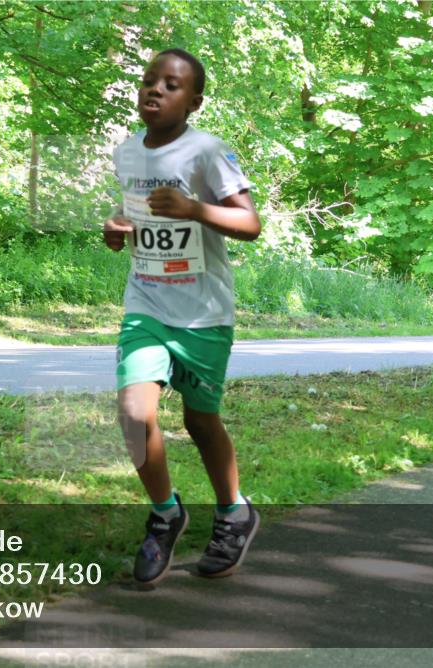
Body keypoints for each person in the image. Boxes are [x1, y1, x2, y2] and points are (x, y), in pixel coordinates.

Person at [103, 48, 262, 586]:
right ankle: (165, 513)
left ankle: (233, 513)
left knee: (200, 422)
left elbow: (250, 224)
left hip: (203, 313)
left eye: (171, 85)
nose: (155, 89)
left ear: (194, 102)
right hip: (146, 303)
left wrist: (194, 208)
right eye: (150, 80)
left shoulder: (208, 151)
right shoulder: (127, 152)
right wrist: (117, 229)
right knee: (133, 413)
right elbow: (136, 216)